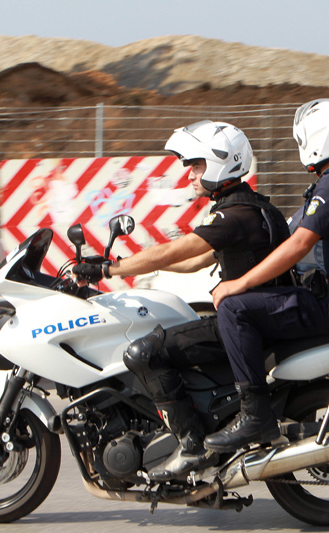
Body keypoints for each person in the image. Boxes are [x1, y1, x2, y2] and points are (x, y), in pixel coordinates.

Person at [72, 120, 290, 481]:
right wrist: (127, 264)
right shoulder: (255, 209)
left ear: (222, 163)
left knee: (144, 353)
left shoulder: (233, 216)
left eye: (197, 165)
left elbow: (178, 249)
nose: (190, 174)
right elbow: (192, 260)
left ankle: (192, 446)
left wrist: (109, 269)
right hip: (260, 319)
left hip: (245, 325)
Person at [203, 99, 329, 453]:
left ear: (319, 138)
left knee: (235, 309)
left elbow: (300, 243)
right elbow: (294, 233)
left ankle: (254, 414)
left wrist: (239, 283)